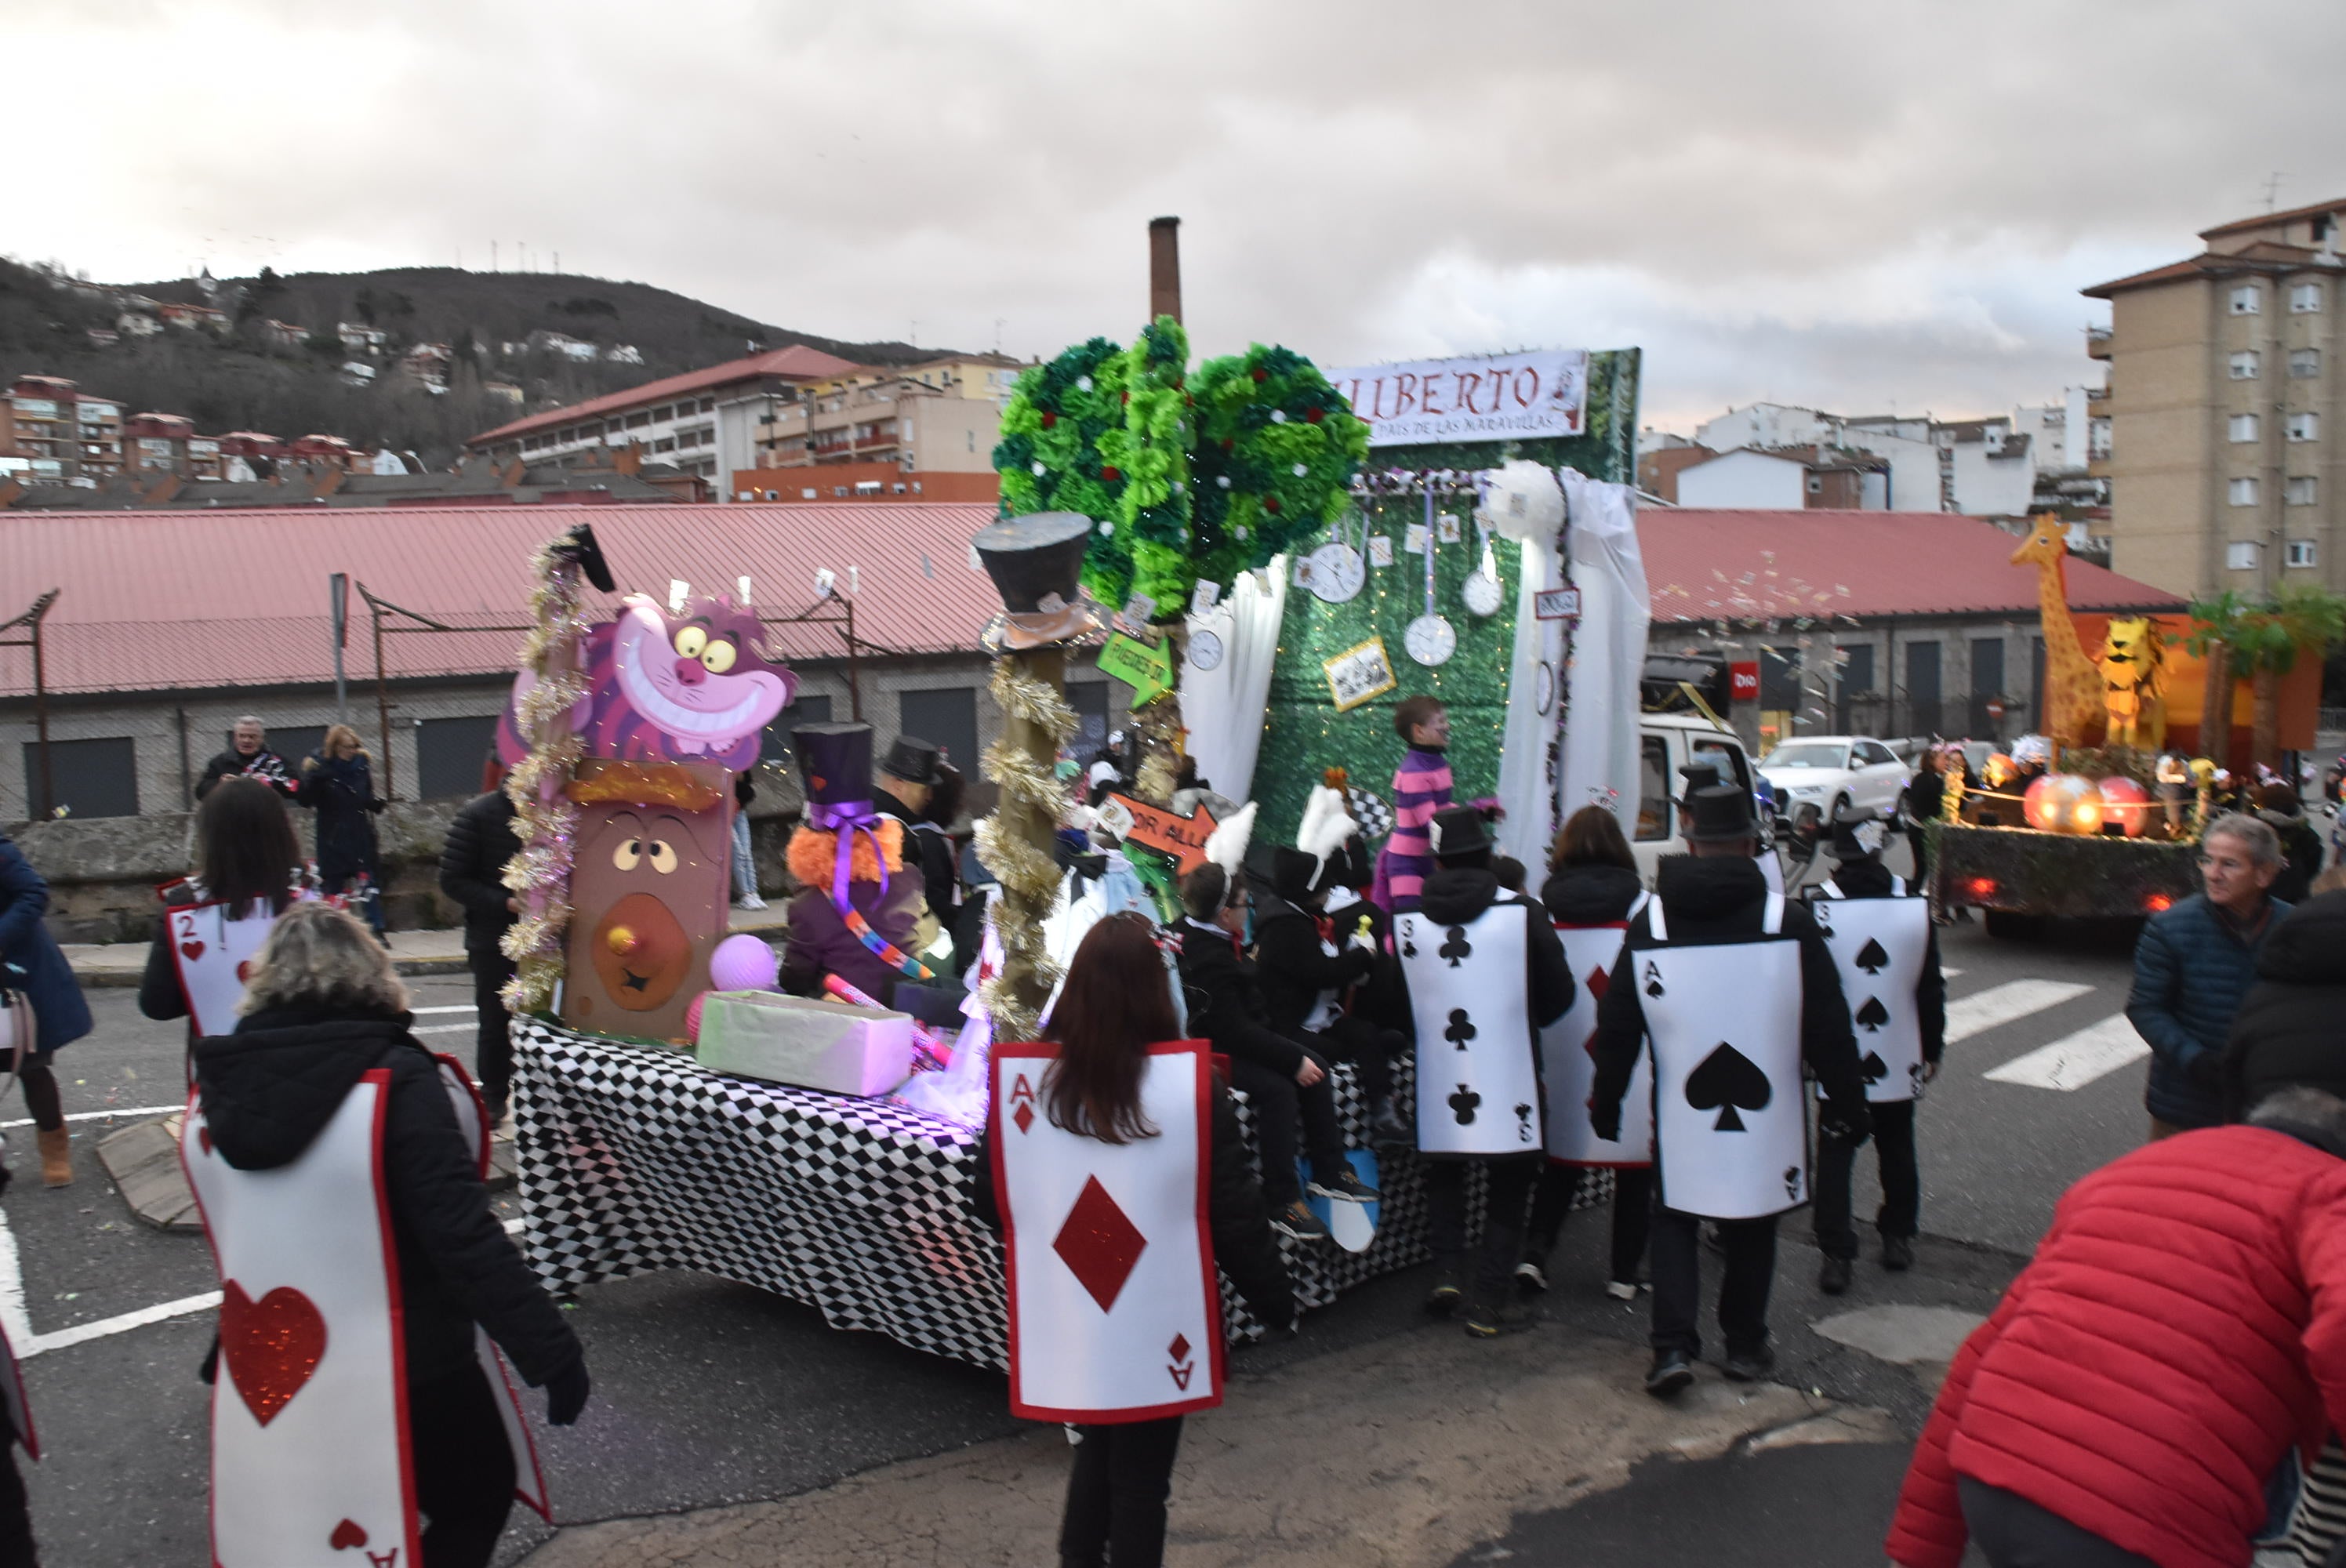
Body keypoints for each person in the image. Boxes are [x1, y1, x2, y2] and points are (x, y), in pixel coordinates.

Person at [187, 902, 586, 1567]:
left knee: (328, 1531)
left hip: (280, 1361)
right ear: (372, 977)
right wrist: (550, 1350)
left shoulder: (219, 1092)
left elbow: (260, 1236)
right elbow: (460, 1231)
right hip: (413, 1358)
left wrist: (224, 1352)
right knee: (475, 1496)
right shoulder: (398, 1081)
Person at [1884, 1080, 2346, 1568]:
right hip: (2149, 1517)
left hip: (1995, 1485)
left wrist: (1920, 1549)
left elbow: (1981, 1354)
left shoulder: (2132, 1171)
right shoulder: (2327, 1187)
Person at [973, 913, 1292, 1568]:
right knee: (1141, 1479)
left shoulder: (1025, 1092)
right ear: (1156, 990)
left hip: (1074, 1314)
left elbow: (991, 1200)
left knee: (1100, 1450)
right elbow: (1233, 1213)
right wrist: (1277, 1301)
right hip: (1159, 1317)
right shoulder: (1192, 1089)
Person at [1592, 784, 1868, 1396]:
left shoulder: (1652, 923)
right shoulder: (1787, 922)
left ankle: (1670, 1349)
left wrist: (1606, 1101)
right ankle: (1744, 1345)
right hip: (1765, 1116)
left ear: (1689, 843)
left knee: (1675, 1217)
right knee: (1752, 1223)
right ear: (1749, 844)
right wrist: (1849, 1106)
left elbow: (1617, 1025)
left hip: (1681, 1115)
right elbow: (1829, 1028)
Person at [1395, 804, 1574, 1338]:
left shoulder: (1406, 921)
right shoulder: (1524, 913)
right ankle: (1491, 1301)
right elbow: (1560, 994)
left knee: (1446, 1172)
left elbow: (1397, 1001)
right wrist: (1520, 1023)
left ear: (1440, 864)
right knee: (1509, 1183)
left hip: (1437, 1073)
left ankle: (1447, 1272)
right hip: (1511, 1070)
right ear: (1488, 855)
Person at [1175, 827, 1378, 1245]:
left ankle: (1329, 1169)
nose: (1249, 908)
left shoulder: (1205, 934)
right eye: (1243, 903)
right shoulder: (1207, 955)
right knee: (1279, 1087)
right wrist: (1289, 1059)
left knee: (1315, 1063)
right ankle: (1281, 1198)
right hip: (1211, 1050)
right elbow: (1233, 1031)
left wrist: (1296, 1056)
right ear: (1224, 913)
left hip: (1239, 1035)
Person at [1807, 810, 1946, 1295]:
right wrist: (1933, 1045)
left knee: (1837, 1150)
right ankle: (1896, 1238)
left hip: (1837, 1055)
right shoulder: (1911, 902)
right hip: (1899, 1046)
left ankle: (1835, 1253)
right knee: (1896, 1144)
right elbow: (1929, 986)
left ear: (1837, 858)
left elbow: (1807, 989)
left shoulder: (1819, 906)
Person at [1522, 805, 1654, 1301]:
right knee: (1635, 1166)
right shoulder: (1645, 908)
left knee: (1562, 1159)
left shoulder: (1541, 908)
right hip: (1629, 1052)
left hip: (1561, 1050)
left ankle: (1535, 1257)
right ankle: (1623, 1274)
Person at [1250, 781, 1410, 1149]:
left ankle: (1384, 1113)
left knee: (1366, 1033)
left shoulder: (1299, 919)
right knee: (1339, 1050)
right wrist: (1362, 956)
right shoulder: (1285, 928)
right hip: (1290, 1025)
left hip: (1318, 1015)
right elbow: (1319, 973)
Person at [2126, 811, 2290, 1139]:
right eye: (2207, 861)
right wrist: (2195, 1060)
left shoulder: (2294, 928)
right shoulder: (2170, 926)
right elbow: (2145, 1007)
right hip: (2185, 1101)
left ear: (2264, 874)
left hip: (2266, 1103)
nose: (2213, 875)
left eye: (2229, 864)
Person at [139, 778, 310, 1044]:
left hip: (222, 1070)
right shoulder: (316, 898)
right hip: (314, 1063)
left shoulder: (185, 907)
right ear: (282, 828)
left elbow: (158, 1005)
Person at [0, 829, 94, 1189]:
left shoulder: (1, 851)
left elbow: (33, 893)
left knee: (31, 1067)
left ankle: (54, 1147)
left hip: (14, 977)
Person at [437, 756, 522, 1126]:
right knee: (495, 1022)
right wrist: (504, 902)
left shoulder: (560, 814)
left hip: (551, 937)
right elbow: (453, 879)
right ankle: (493, 1096)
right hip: (494, 937)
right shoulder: (479, 814)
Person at [299, 724, 387, 938]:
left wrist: (373, 804)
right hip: (333, 834)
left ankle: (377, 929)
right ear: (335, 747)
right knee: (333, 883)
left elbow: (363, 795)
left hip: (358, 830)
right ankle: (335, 932)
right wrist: (314, 780)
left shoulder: (360, 766)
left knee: (367, 881)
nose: (353, 751)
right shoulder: (320, 770)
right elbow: (305, 800)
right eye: (348, 747)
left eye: (356, 746)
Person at [874, 735, 959, 932]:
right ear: (898, 784)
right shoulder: (897, 833)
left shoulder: (863, 815)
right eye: (925, 789)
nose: (930, 797)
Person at [1382, 695, 1453, 913]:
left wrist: (1477, 813)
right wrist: (1469, 820)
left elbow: (1442, 809)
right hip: (1408, 862)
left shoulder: (1436, 763)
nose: (1447, 725)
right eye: (1440, 722)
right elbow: (1430, 821)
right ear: (1419, 731)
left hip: (1429, 856)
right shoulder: (1413, 772)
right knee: (1410, 920)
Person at [194, 715, 297, 803]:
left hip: (265, 817)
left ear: (262, 738)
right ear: (235, 737)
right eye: (242, 736)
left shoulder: (276, 761)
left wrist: (267, 782)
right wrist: (222, 784)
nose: (246, 741)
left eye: (252, 737)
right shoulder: (220, 762)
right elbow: (200, 792)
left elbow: (296, 788)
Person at [2254, 782, 2325, 906]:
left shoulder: (2255, 830)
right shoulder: (2307, 833)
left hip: (2260, 897)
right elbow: (2313, 866)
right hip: (2296, 898)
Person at [1901, 748, 1945, 886]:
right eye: (1944, 759)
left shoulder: (1918, 779)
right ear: (1932, 761)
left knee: (1922, 869)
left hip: (1915, 829)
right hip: (1924, 830)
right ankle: (1915, 895)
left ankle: (1914, 894)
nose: (1947, 763)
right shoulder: (1934, 782)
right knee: (1929, 869)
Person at [729, 768, 765, 910]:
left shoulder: (739, 761)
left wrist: (739, 775)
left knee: (746, 852)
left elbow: (747, 782)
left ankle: (753, 892)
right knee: (738, 852)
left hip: (739, 810)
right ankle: (745, 895)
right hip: (724, 810)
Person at [2156, 750, 2192, 836]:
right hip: (2163, 828)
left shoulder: (2171, 786)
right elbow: (2174, 816)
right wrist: (2177, 826)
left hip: (2167, 822)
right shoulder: (2172, 790)